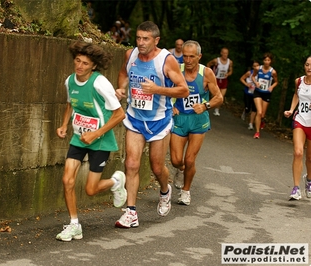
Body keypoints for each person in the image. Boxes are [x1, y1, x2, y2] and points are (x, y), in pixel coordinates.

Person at [114, 21, 189, 228]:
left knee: (157, 167)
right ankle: (131, 213)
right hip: (135, 118)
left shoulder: (167, 60)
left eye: (145, 39)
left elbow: (183, 90)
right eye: (138, 38)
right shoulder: (130, 55)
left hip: (159, 121)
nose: (140, 42)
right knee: (131, 163)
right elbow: (123, 74)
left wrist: (158, 89)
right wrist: (121, 88)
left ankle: (165, 191)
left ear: (156, 40)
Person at [55, 41, 127, 241]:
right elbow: (70, 104)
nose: (80, 66)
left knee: (91, 189)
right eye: (77, 61)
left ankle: (116, 181)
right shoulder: (70, 81)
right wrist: (64, 125)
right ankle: (74, 224)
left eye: (85, 63)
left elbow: (119, 115)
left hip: (100, 141)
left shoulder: (99, 83)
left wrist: (95, 134)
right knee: (67, 180)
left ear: (93, 66)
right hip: (79, 138)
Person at [170, 40, 223, 205]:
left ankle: (185, 191)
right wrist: (170, 106)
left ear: (199, 56)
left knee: (190, 159)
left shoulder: (206, 73)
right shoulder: (176, 69)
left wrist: (205, 105)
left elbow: (219, 98)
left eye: (192, 56)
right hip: (179, 118)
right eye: (185, 56)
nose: (188, 60)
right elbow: (163, 90)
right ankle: (181, 169)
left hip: (198, 121)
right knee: (176, 160)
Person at [283, 56, 311, 200]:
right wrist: (291, 109)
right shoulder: (298, 81)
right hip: (300, 120)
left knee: (310, 157)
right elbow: (296, 95)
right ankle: (295, 188)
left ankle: (309, 181)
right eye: (307, 64)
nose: (309, 67)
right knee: (298, 152)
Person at [252, 52, 278, 139]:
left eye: (268, 60)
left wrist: (272, 86)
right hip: (258, 92)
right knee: (259, 112)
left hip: (266, 94)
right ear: (263, 60)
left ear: (271, 61)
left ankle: (262, 120)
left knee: (262, 114)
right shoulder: (258, 68)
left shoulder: (273, 72)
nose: (267, 62)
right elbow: (253, 76)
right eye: (265, 60)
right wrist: (256, 82)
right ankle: (257, 132)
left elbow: (276, 82)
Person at [206, 47, 233, 116]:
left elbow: (231, 71)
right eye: (223, 53)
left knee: (221, 96)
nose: (225, 54)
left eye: (226, 53)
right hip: (216, 79)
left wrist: (228, 74)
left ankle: (217, 109)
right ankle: (208, 106)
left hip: (224, 80)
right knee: (214, 95)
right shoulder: (216, 60)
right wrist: (211, 73)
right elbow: (208, 65)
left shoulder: (230, 62)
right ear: (221, 53)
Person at [239, 61, 259, 130]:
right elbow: (241, 78)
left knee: (254, 109)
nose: (256, 67)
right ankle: (245, 111)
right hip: (248, 92)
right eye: (254, 66)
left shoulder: (260, 74)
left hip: (256, 94)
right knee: (247, 107)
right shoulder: (249, 73)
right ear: (252, 67)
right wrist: (246, 84)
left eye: (257, 66)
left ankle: (250, 124)